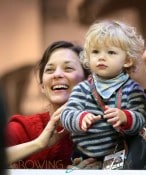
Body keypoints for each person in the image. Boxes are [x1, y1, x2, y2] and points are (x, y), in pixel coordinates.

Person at [60, 20, 146, 169]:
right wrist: (79, 118)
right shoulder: (83, 89)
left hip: (119, 157)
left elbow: (141, 120)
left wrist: (126, 117)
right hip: (83, 155)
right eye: (95, 52)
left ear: (127, 60)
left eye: (111, 52)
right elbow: (66, 115)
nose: (101, 57)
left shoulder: (133, 90)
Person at [5, 40, 99, 169]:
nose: (57, 74)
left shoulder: (105, 129)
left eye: (68, 68)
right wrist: (39, 143)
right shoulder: (21, 129)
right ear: (43, 86)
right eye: (49, 70)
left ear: (88, 82)